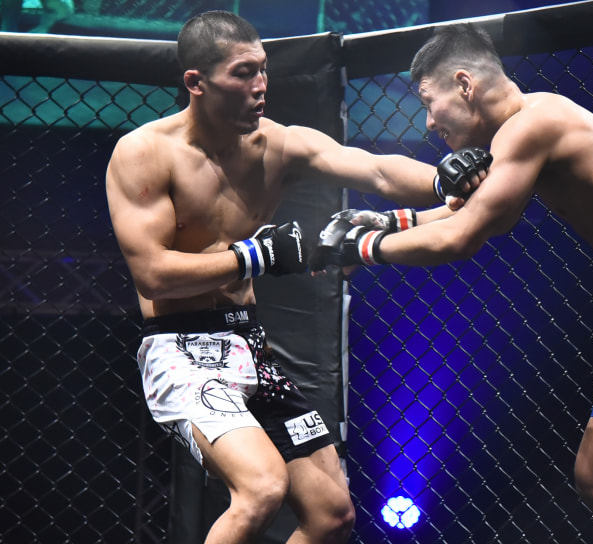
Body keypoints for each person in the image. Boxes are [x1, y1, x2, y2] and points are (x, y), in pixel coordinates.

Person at [311, 24, 593, 544]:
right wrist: (386, 223)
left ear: (465, 84)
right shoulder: (529, 122)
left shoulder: (531, 126)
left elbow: (461, 237)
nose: (430, 121)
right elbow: (472, 212)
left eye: (430, 102)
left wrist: (362, 249)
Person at [105, 11, 489, 544]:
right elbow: (154, 275)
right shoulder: (145, 153)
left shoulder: (277, 144)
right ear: (196, 82)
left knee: (332, 515)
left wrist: (443, 179)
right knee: (261, 489)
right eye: (243, 73)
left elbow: (375, 169)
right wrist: (257, 256)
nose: (261, 85)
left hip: (250, 344)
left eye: (262, 69)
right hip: (181, 350)